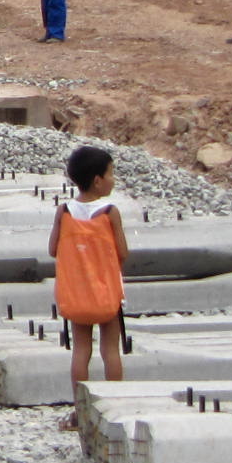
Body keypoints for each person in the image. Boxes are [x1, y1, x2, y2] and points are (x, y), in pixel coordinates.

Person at [48, 143, 131, 413]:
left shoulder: (64, 211)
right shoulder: (110, 212)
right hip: (106, 295)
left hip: (76, 295)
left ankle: (81, 410)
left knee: (81, 350)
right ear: (98, 181)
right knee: (110, 350)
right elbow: (123, 252)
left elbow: (53, 249)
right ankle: (115, 406)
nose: (113, 179)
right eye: (111, 174)